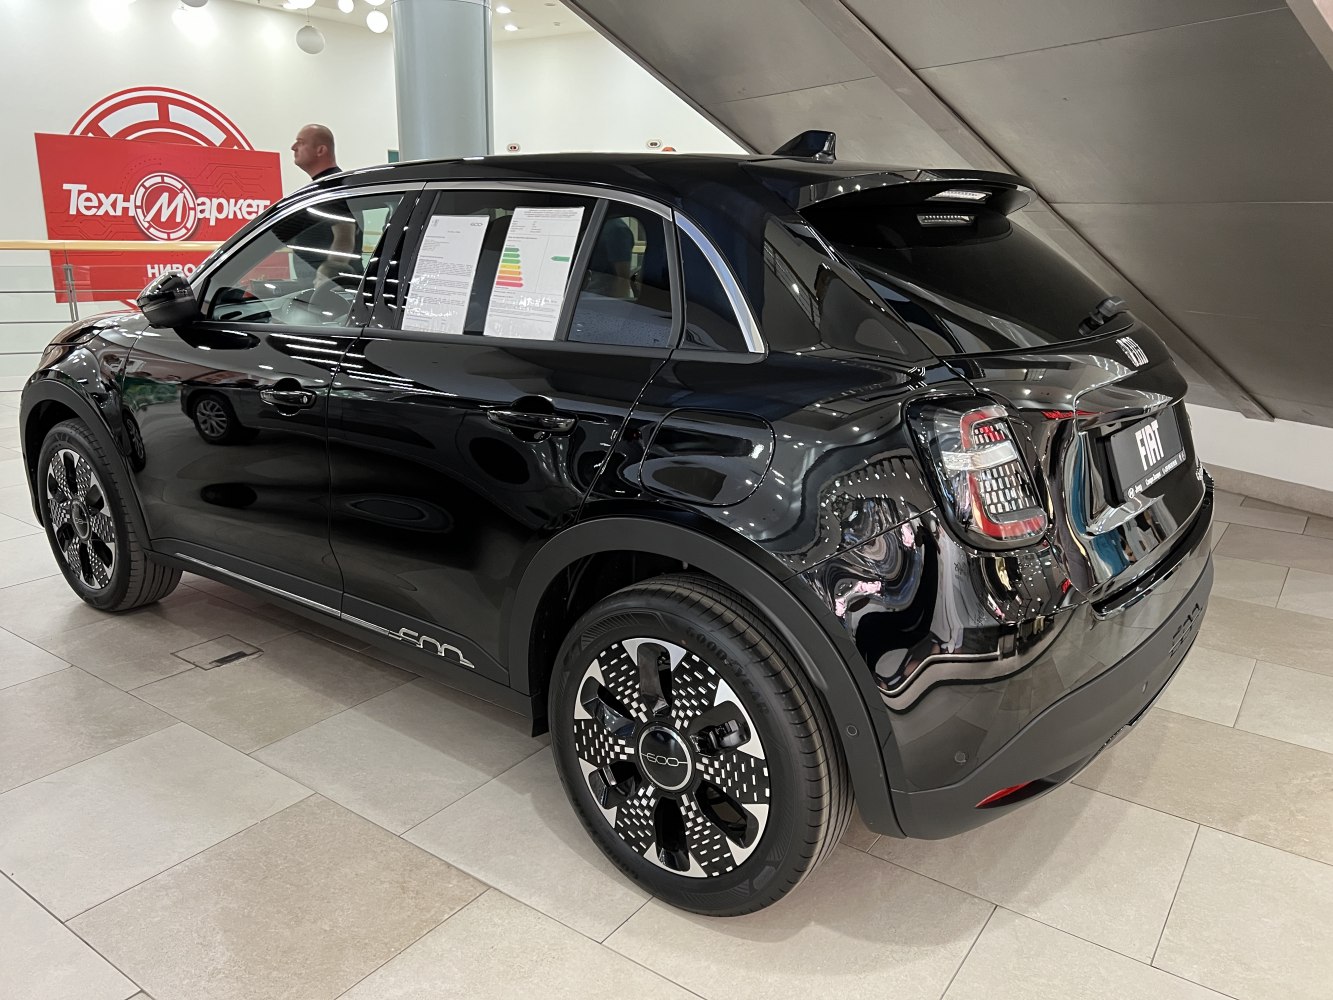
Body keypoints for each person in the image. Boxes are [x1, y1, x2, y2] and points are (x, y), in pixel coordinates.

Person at [287, 123, 361, 292]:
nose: (293, 147)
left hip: (330, 293)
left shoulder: (331, 188)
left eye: (301, 142)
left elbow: (345, 237)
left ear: (321, 150)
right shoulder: (326, 186)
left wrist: (327, 280)